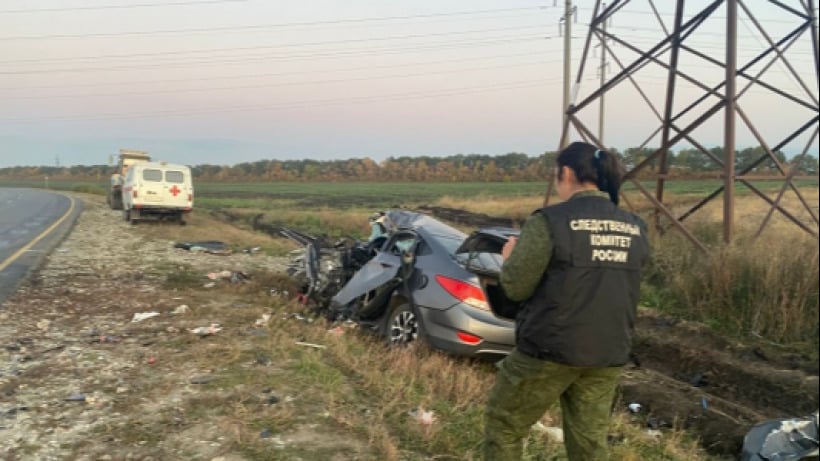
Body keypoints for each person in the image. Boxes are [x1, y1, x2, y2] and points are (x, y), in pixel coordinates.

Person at [483, 141, 651, 461]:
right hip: (608, 351)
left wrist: (510, 258)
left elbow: (516, 287)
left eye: (556, 175)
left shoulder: (551, 221)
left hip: (549, 349)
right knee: (589, 442)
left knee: (504, 426)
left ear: (568, 173)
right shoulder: (635, 226)